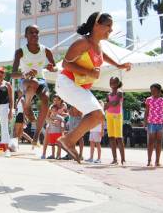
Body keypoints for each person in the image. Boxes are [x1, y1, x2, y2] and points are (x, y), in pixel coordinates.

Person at [54, 12, 131, 163]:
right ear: (96, 25)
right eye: (108, 26)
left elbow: (102, 56)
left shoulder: (97, 45)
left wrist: (118, 65)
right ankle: (68, 140)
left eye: (111, 26)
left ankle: (68, 140)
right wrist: (90, 71)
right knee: (97, 114)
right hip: (66, 82)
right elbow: (65, 64)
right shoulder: (83, 43)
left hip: (78, 86)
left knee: (98, 116)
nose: (111, 30)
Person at [11, 25, 57, 147]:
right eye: (31, 33)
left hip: (41, 80)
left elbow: (55, 66)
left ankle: (36, 134)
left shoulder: (45, 50)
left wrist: (52, 68)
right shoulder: (20, 52)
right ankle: (26, 104)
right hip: (25, 80)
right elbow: (13, 74)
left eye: (37, 32)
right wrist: (24, 74)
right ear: (25, 35)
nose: (35, 35)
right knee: (32, 83)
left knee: (46, 98)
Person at [144, 83, 163, 167]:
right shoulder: (148, 99)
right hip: (151, 123)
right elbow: (146, 112)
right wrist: (145, 123)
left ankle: (157, 161)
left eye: (154, 90)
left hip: (161, 124)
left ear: (159, 90)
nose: (152, 92)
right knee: (150, 142)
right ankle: (149, 161)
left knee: (159, 142)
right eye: (151, 90)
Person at [105, 77, 126, 165]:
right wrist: (108, 105)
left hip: (117, 116)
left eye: (114, 82)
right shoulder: (108, 94)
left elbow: (115, 103)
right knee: (111, 137)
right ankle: (114, 159)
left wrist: (108, 104)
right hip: (109, 115)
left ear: (118, 83)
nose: (112, 84)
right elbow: (106, 107)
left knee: (119, 138)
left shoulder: (120, 92)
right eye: (111, 82)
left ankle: (123, 159)